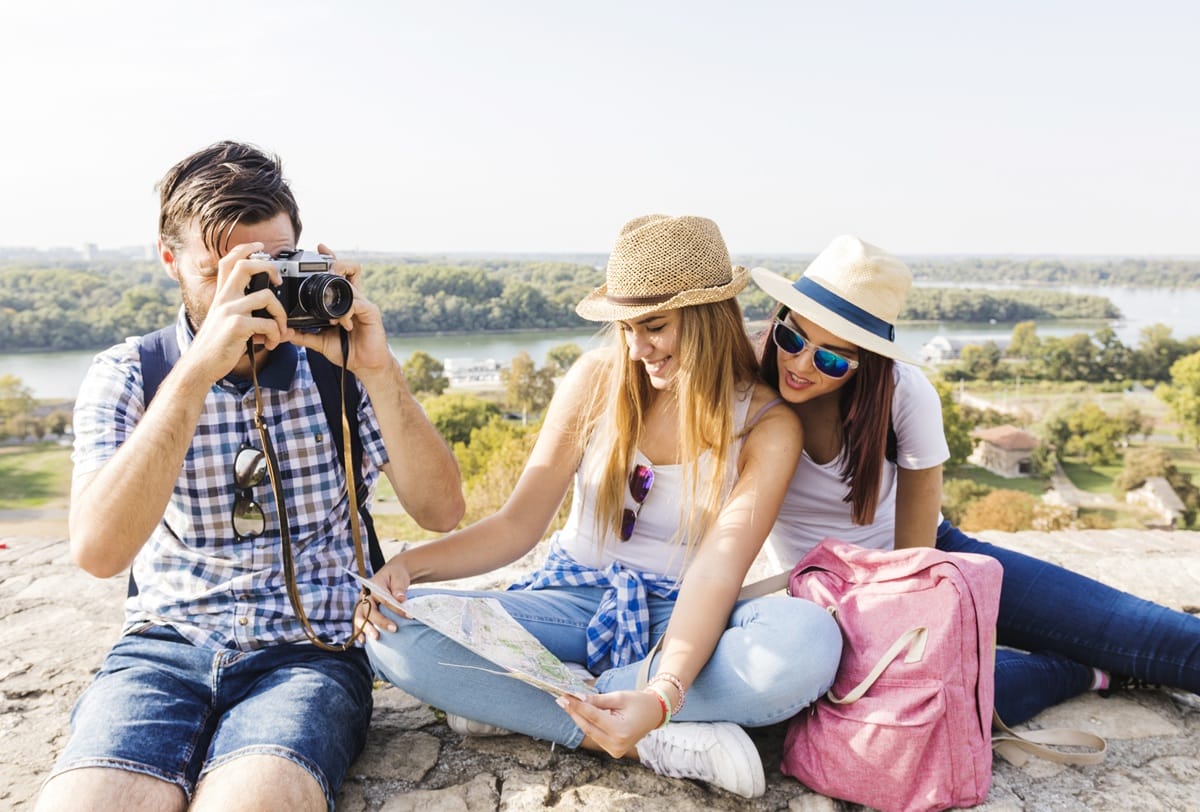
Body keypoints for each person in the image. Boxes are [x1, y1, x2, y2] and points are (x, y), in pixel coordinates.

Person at [36, 141, 464, 812]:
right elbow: (99, 551)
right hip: (164, 648)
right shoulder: (128, 375)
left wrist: (377, 372)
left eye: (271, 268)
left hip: (308, 652)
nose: (255, 296)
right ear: (169, 259)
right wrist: (196, 373)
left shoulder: (338, 369)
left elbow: (442, 509)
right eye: (224, 275)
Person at [361, 214, 842, 798]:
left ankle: (539, 701)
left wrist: (664, 691)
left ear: (708, 319)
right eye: (626, 328)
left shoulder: (768, 424)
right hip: (570, 600)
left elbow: (717, 571)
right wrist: (412, 568)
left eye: (655, 327)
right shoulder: (596, 379)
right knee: (387, 630)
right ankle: (641, 737)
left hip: (681, 615)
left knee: (807, 644)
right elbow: (517, 525)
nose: (638, 348)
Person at [750, 234, 1200, 726]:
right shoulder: (746, 385)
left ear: (867, 361)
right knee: (909, 708)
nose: (797, 363)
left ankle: (1100, 658)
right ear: (778, 320)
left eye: (831, 358)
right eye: (792, 338)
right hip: (830, 596)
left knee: (1150, 635)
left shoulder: (904, 395)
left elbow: (917, 564)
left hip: (932, 565)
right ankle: (1079, 672)